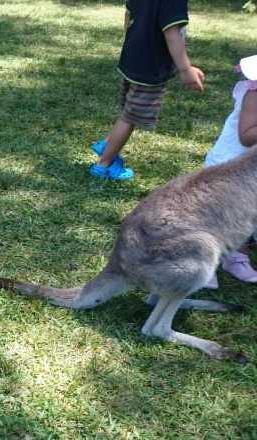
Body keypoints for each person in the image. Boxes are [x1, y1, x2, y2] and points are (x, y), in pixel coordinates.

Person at [89, 0, 205, 181]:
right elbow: (172, 34)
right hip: (150, 67)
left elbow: (129, 15)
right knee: (131, 116)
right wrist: (186, 69)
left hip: (132, 58)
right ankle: (104, 164)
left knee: (128, 108)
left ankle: (107, 144)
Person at [201, 54, 257, 287]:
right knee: (220, 218)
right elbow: (246, 137)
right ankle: (207, 260)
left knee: (249, 217)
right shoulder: (254, 94)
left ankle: (235, 256)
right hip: (230, 168)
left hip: (250, 169)